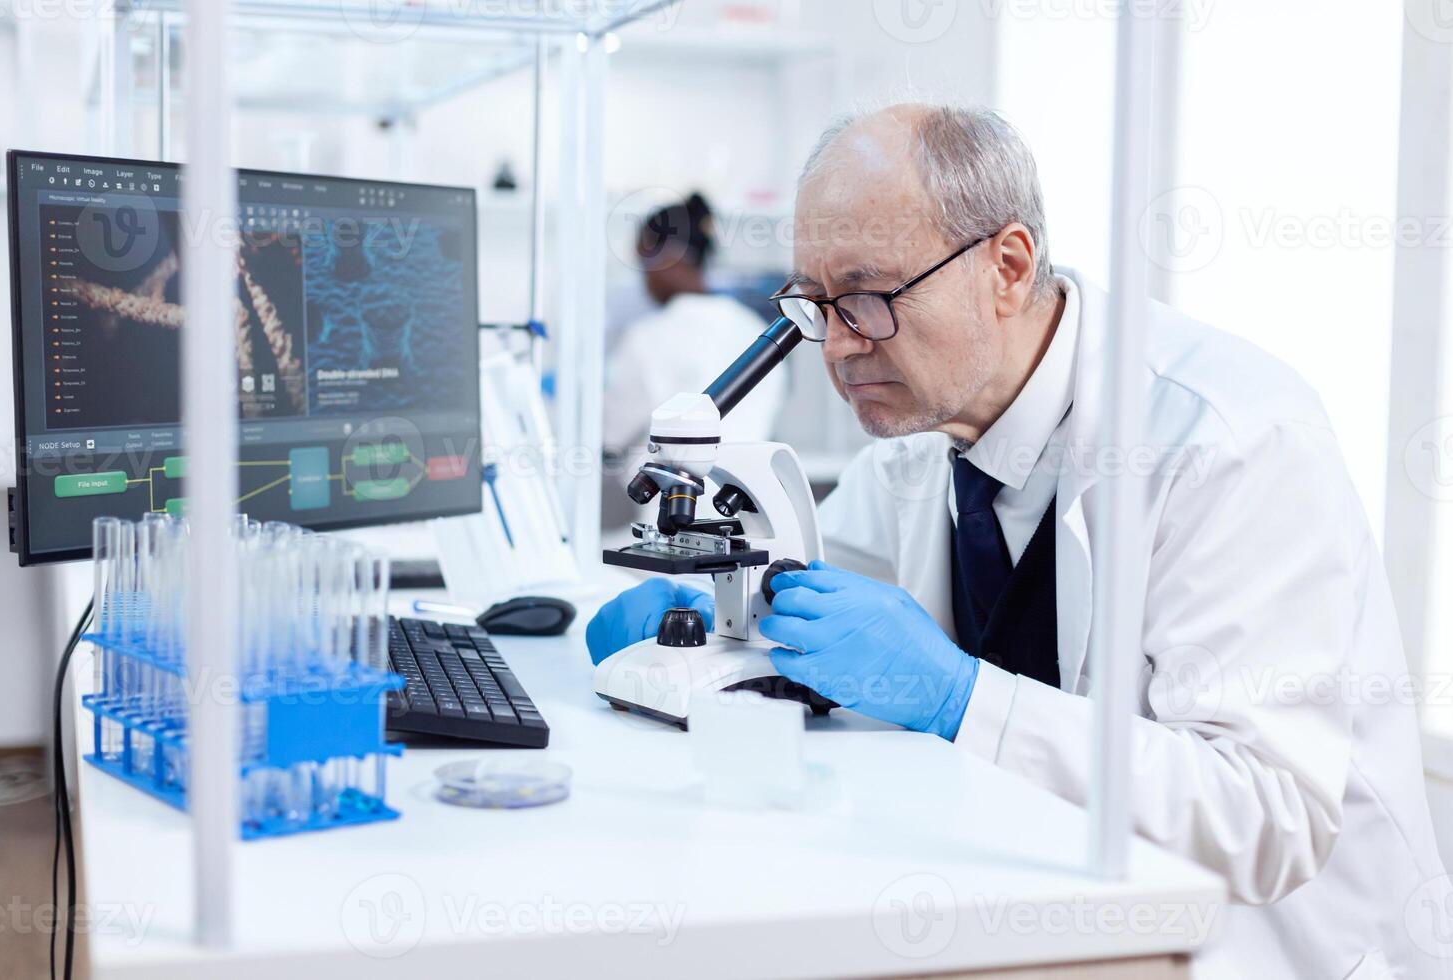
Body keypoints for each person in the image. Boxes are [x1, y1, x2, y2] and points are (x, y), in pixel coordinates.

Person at [586, 105, 1451, 979]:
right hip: (1045, 916)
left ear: (1007, 266)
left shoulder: (1228, 438)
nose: (840, 347)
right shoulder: (920, 441)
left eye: (869, 297)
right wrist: (704, 619)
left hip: (1263, 952)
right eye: (814, 303)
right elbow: (808, 608)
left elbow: (1266, 819)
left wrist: (964, 699)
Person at [603, 193, 786, 455]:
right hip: (744, 489)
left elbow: (612, 436)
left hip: (671, 495)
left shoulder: (649, 337)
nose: (644, 278)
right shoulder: (757, 331)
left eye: (643, 260)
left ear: (669, 255)